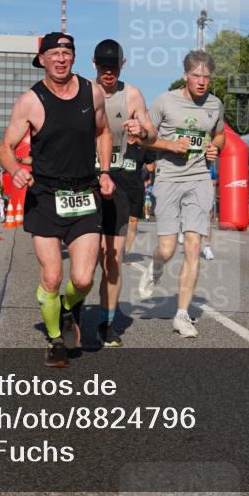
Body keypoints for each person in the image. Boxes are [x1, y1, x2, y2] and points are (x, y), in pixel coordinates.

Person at [0, 32, 114, 368]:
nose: (60, 59)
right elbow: (5, 148)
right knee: (51, 276)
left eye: (66, 53)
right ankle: (54, 339)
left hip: (84, 193)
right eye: (53, 54)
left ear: (73, 58)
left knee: (82, 279)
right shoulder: (30, 101)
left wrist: (105, 171)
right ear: (43, 60)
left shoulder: (92, 92)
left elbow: (104, 131)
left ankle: (66, 308)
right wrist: (15, 169)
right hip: (46, 196)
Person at [145, 50, 225, 337]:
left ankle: (182, 314)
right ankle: (155, 265)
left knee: (193, 245)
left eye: (206, 76)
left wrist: (216, 147)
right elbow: (146, 138)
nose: (202, 81)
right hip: (168, 177)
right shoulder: (165, 102)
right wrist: (169, 146)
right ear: (185, 75)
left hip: (199, 177)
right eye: (196, 76)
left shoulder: (215, 104)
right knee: (167, 249)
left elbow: (219, 134)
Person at [92, 39, 156, 347]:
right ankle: (72, 309)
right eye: (103, 67)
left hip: (117, 180)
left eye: (113, 67)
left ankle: (106, 323)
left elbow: (151, 132)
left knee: (113, 260)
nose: (109, 73)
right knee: (87, 260)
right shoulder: (82, 93)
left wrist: (141, 132)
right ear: (95, 66)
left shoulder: (131, 94)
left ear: (122, 64)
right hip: (86, 181)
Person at [122, 143, 154, 262]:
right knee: (119, 219)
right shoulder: (120, 143)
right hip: (119, 187)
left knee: (133, 220)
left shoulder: (143, 147)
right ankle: (113, 247)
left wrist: (151, 163)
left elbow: (151, 167)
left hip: (136, 188)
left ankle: (126, 252)